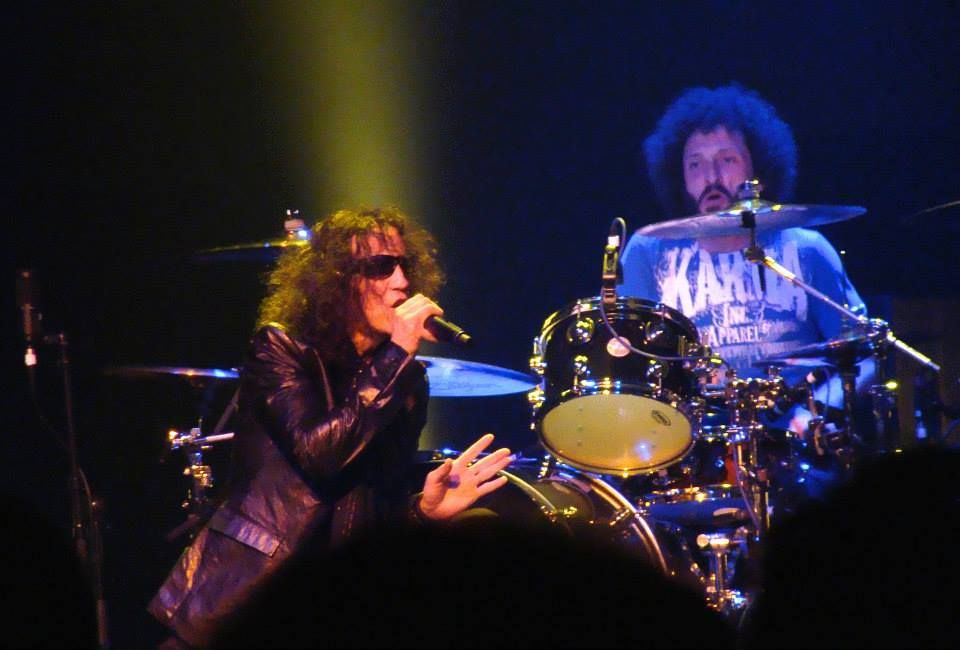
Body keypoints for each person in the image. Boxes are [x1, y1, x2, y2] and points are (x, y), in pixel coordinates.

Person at [147, 206, 513, 648]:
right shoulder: (281, 347)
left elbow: (374, 504)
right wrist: (396, 354)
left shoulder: (406, 380)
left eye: (404, 266)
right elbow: (322, 454)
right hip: (248, 596)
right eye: (381, 267)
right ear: (338, 279)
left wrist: (422, 512)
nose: (401, 281)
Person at [619, 84, 874, 436]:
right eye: (695, 164)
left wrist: (812, 418)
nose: (711, 177)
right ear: (680, 178)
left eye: (727, 160)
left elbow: (863, 354)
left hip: (791, 441)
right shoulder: (648, 251)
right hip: (693, 444)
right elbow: (629, 363)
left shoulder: (806, 250)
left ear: (761, 173)